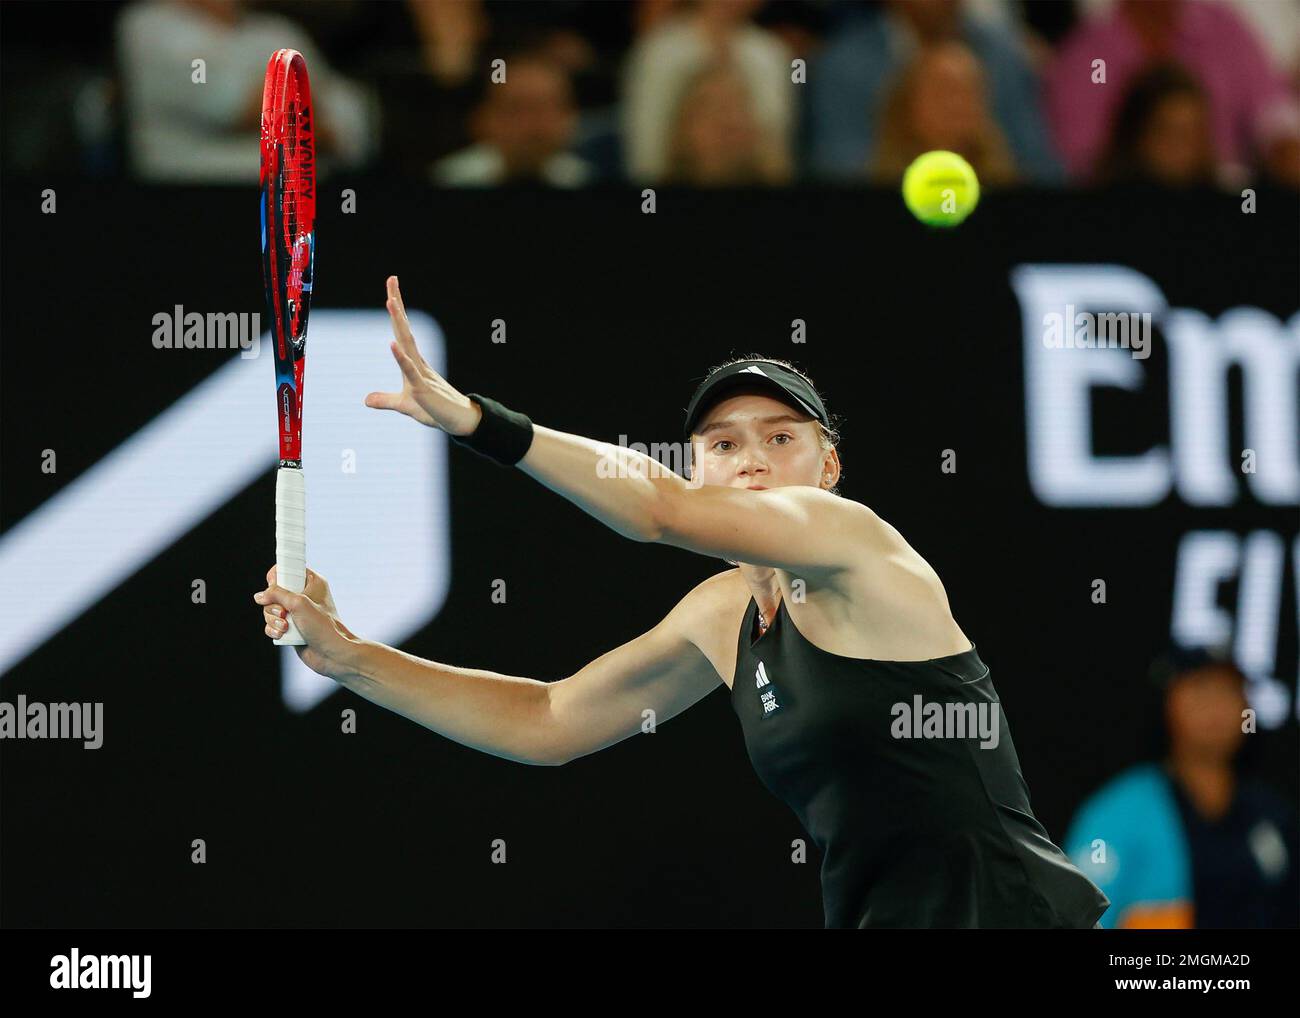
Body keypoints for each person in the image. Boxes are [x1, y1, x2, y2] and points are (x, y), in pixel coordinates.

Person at [254, 276, 1110, 929]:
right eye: (724, 444)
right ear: (698, 464)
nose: (753, 461)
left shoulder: (854, 544)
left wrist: (482, 423)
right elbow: (548, 720)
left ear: (829, 468)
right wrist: (352, 659)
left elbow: (659, 510)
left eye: (782, 439)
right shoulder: (720, 615)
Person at [1065, 645, 1299, 928]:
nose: (1215, 708)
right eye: (1200, 690)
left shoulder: (1272, 816)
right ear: (1168, 704)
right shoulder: (1120, 813)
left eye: (1228, 692)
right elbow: (1073, 918)